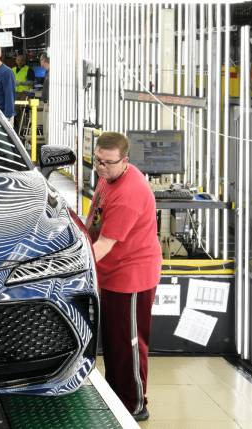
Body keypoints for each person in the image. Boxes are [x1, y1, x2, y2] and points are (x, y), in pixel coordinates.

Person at [85, 132, 161, 422]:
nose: (100, 168)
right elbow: (94, 220)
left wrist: (75, 266)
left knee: (129, 345)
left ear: (125, 161)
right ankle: (116, 397)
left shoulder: (129, 194)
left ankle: (134, 404)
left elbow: (105, 244)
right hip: (111, 273)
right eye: (97, 161)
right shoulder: (108, 177)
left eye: (107, 163)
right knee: (115, 343)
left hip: (131, 277)